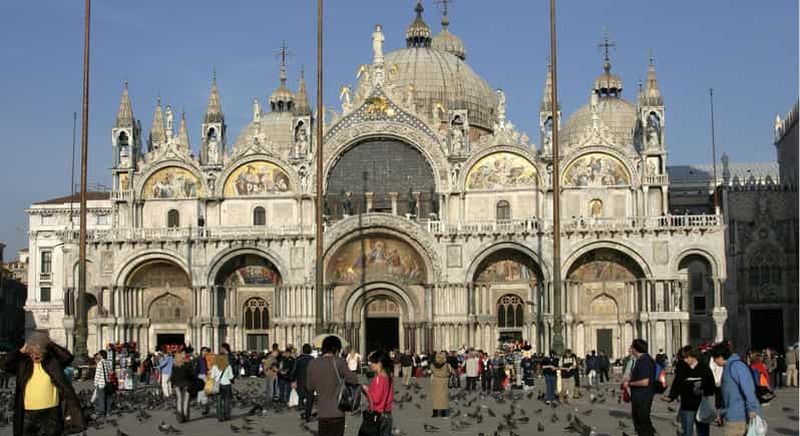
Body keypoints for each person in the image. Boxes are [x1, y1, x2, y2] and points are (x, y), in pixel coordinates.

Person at [0, 332, 84, 436]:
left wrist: (49, 343)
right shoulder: (23, 364)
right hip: (28, 413)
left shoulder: (52, 362)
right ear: (29, 351)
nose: (36, 355)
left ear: (44, 351)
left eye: (39, 351)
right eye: (33, 352)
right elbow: (3, 364)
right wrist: (20, 351)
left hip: (51, 412)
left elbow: (67, 357)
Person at [306, 335, 359, 436]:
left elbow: (309, 387)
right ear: (336, 349)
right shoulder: (339, 362)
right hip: (337, 413)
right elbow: (354, 380)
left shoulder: (312, 363)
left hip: (322, 413)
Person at [711, 342, 761, 436]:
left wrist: (752, 408)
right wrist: (722, 412)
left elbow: (748, 388)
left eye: (714, 358)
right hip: (730, 415)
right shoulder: (728, 367)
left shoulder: (736, 366)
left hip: (738, 418)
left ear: (721, 356)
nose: (714, 361)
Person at [663, 346, 715, 436]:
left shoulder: (704, 368)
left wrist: (702, 391)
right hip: (687, 406)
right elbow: (677, 384)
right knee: (687, 432)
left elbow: (711, 386)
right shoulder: (682, 368)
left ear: (693, 356)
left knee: (703, 432)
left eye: (687, 358)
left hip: (701, 406)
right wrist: (671, 397)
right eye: (684, 358)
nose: (685, 360)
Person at [624, 339, 656, 436]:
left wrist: (629, 383)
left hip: (642, 397)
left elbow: (645, 382)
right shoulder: (644, 359)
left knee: (642, 424)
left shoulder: (644, 361)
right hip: (641, 396)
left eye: (632, 347)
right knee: (642, 423)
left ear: (636, 349)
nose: (630, 349)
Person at [361, 351, 394, 436]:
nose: (370, 364)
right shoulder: (388, 377)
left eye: (372, 362)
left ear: (379, 363)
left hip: (377, 416)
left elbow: (375, 400)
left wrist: (366, 390)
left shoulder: (378, 379)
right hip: (387, 415)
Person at [171, 352, 195, 423]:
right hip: (186, 384)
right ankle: (185, 416)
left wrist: (172, 385)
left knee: (179, 400)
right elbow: (192, 375)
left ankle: (179, 417)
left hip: (177, 384)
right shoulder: (187, 365)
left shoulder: (174, 366)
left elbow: (173, 376)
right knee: (186, 401)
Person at [210, 353, 234, 422]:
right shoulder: (228, 366)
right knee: (227, 401)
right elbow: (231, 376)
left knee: (219, 401)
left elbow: (212, 377)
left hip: (219, 385)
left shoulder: (215, 366)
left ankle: (220, 416)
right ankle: (227, 415)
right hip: (227, 385)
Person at [293, 344, 314, 421]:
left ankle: (303, 411)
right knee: (310, 399)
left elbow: (294, 371)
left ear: (302, 350)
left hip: (300, 382)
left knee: (301, 397)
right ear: (310, 351)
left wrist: (293, 380)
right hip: (311, 382)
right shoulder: (313, 360)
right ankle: (308, 414)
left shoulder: (298, 360)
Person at [429, 352, 451, 417]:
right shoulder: (446, 365)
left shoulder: (432, 365)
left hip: (436, 381)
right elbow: (449, 372)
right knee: (443, 397)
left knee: (435, 397)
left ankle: (435, 413)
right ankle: (443, 413)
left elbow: (431, 371)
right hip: (444, 381)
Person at [93, 350, 113, 417]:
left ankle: (101, 412)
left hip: (101, 384)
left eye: (98, 354)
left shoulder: (100, 363)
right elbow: (111, 372)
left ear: (101, 355)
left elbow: (97, 374)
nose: (97, 356)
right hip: (107, 383)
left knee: (101, 398)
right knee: (107, 398)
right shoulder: (107, 362)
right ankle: (108, 412)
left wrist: (95, 383)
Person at [196, 347, 211, 416]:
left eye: (206, 351)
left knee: (206, 393)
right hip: (201, 376)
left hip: (208, 377)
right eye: (203, 351)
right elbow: (196, 368)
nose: (205, 352)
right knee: (201, 393)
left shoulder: (209, 359)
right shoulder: (198, 359)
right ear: (201, 351)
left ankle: (206, 410)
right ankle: (204, 409)